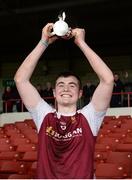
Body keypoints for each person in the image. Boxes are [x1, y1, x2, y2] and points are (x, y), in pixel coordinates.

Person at [14, 23, 114, 179]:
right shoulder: (44, 116)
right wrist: (43, 42)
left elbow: (108, 80)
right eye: (61, 85)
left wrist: (81, 43)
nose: (66, 89)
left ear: (80, 93)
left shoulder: (89, 117)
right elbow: (20, 80)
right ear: (54, 92)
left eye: (72, 85)